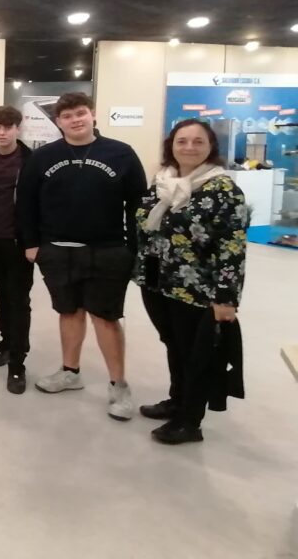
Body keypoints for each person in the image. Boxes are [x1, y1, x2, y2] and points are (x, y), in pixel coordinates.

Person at [17, 92, 147, 420]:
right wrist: (31, 243)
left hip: (108, 251)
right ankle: (70, 372)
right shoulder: (43, 157)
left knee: (105, 318)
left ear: (93, 114)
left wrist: (134, 248)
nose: (75, 120)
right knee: (69, 312)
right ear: (58, 122)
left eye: (80, 113)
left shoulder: (121, 153)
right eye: (67, 116)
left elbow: (137, 206)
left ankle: (119, 385)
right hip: (57, 251)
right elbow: (26, 203)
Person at [135, 119, 247, 444]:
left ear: (211, 146)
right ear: (171, 145)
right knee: (173, 344)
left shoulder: (223, 189)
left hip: (197, 288)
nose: (189, 147)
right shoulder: (163, 181)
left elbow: (232, 248)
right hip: (157, 281)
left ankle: (190, 421)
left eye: (198, 141)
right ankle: (177, 400)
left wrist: (226, 298)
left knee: (195, 354)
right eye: (182, 141)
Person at [0, 105, 34, 394]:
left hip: (19, 243)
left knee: (19, 299)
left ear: (17, 128)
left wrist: (33, 241)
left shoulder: (30, 161)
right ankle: (6, 341)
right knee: (1, 294)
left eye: (8, 127)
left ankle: (18, 360)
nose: (2, 133)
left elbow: (39, 203)